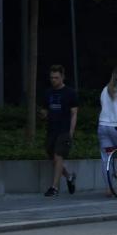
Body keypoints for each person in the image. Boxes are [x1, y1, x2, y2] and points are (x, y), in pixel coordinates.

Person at [44, 63, 80, 197]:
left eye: (56, 77)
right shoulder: (48, 92)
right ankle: (69, 177)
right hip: (51, 130)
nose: (54, 80)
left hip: (64, 130)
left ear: (62, 77)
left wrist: (71, 132)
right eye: (52, 77)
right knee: (54, 159)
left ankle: (54, 187)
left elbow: (74, 113)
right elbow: (45, 110)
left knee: (58, 156)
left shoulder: (70, 93)